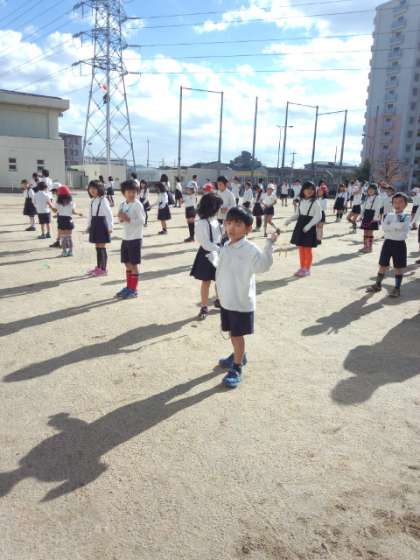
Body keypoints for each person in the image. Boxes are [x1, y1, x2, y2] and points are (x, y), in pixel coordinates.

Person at [211, 206, 278, 388]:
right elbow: (221, 270)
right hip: (227, 300)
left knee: (237, 335)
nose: (231, 228)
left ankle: (237, 367)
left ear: (248, 228)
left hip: (240, 302)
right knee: (232, 333)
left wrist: (269, 245)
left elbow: (263, 266)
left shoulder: (250, 249)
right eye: (229, 223)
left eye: (238, 224)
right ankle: (238, 355)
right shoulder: (226, 245)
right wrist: (218, 291)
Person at [366, 193, 411, 298]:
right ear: (392, 203)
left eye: (400, 202)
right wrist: (393, 227)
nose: (397, 204)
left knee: (398, 267)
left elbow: (399, 226)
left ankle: (397, 288)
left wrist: (391, 226)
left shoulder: (405, 216)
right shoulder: (389, 215)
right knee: (382, 265)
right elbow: (384, 227)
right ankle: (377, 285)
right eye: (395, 202)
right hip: (387, 243)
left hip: (399, 244)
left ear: (405, 204)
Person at [190, 192, 223, 320]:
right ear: (212, 207)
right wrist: (220, 249)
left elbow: (220, 235)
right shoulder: (202, 223)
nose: (219, 209)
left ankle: (219, 300)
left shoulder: (215, 221)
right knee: (206, 281)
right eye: (218, 206)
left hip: (218, 253)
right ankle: (204, 306)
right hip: (208, 254)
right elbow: (205, 243)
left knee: (219, 279)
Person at [116, 179, 146, 299]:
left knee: (133, 264)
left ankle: (133, 290)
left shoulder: (138, 205)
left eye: (134, 192)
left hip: (135, 238)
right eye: (129, 192)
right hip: (125, 237)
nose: (132, 194)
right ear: (124, 192)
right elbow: (121, 220)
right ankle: (129, 287)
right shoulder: (122, 204)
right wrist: (121, 218)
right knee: (127, 263)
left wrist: (128, 219)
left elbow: (142, 221)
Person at [285, 180, 322, 277]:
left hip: (309, 227)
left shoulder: (315, 202)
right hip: (300, 226)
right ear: (303, 190)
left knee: (307, 249)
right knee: (301, 248)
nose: (310, 191)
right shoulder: (301, 201)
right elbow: (298, 214)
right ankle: (302, 267)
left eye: (312, 189)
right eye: (307, 189)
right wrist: (289, 220)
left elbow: (318, 216)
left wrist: (309, 226)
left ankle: (307, 269)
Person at [86, 180, 113, 276]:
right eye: (90, 188)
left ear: (100, 189)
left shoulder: (103, 200)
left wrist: (110, 227)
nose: (92, 190)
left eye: (94, 188)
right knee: (97, 247)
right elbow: (90, 215)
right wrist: (89, 226)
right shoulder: (93, 201)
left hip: (102, 225)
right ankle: (98, 267)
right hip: (95, 224)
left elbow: (109, 215)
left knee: (102, 247)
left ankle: (103, 269)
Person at [51, 186, 82, 257]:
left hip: (61, 220)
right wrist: (78, 213)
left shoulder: (58, 203)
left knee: (63, 237)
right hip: (68, 220)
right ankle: (70, 251)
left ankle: (64, 252)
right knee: (69, 237)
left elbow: (55, 211)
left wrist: (50, 205)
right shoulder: (71, 203)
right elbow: (73, 212)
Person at [359, 183, 382, 253]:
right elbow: (363, 207)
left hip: (372, 216)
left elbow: (377, 209)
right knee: (365, 231)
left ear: (375, 190)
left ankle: (370, 247)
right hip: (366, 215)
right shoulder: (367, 197)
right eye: (369, 189)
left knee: (370, 233)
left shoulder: (378, 198)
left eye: (372, 189)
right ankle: (365, 246)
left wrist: (375, 218)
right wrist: (361, 216)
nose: (370, 190)